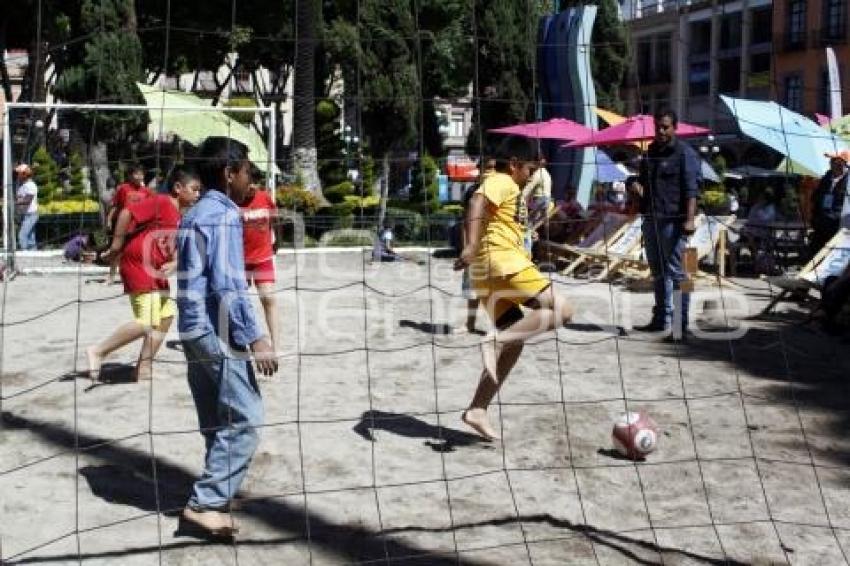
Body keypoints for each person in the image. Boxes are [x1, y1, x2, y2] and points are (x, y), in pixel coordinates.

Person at [175, 137, 278, 538]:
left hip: (192, 326)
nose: (250, 178)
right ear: (228, 173)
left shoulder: (194, 212)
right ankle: (206, 502)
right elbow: (228, 284)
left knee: (217, 417)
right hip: (214, 327)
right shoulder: (222, 213)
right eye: (247, 169)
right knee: (246, 417)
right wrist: (255, 338)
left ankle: (217, 491)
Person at [454, 136, 574, 441]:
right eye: (529, 168)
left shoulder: (510, 186)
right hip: (502, 262)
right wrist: (469, 245)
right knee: (563, 309)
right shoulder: (502, 180)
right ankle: (494, 342)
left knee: (516, 340)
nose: (531, 174)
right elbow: (476, 202)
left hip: (487, 272)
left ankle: (477, 409)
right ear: (514, 165)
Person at [87, 167, 201, 382]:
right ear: (178, 188)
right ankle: (99, 351)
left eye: (199, 190)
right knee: (147, 321)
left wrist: (175, 263)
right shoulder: (162, 201)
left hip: (157, 270)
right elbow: (126, 212)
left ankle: (143, 368)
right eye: (194, 189)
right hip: (138, 263)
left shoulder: (179, 214)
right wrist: (116, 245)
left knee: (166, 316)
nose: (198, 194)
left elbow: (171, 245)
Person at [628, 109, 700, 341]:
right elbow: (641, 181)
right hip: (651, 218)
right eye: (657, 126)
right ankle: (661, 319)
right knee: (658, 272)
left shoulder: (685, 153)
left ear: (674, 128)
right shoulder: (650, 153)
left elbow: (692, 191)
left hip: (675, 222)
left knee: (681, 275)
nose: (660, 131)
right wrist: (634, 185)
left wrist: (689, 220)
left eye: (665, 127)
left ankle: (682, 326)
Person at [456, 158, 496, 335]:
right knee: (472, 289)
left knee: (494, 288)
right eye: (486, 167)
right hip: (475, 246)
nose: (489, 171)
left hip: (496, 246)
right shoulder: (472, 191)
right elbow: (465, 222)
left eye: (494, 168)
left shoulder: (503, 191)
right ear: (479, 169)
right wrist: (466, 248)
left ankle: (495, 326)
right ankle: (469, 323)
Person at [240, 178, 279, 354]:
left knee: (268, 299)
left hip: (263, 258)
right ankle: (244, 342)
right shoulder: (233, 201)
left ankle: (276, 346)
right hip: (240, 261)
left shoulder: (265, 198)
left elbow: (276, 220)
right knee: (239, 302)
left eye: (251, 180)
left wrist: (278, 241)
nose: (250, 186)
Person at [106, 165, 153, 284]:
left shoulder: (146, 191)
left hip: (139, 225)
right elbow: (116, 205)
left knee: (136, 251)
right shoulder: (123, 188)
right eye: (136, 174)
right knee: (117, 250)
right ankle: (111, 276)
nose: (139, 176)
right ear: (130, 176)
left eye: (141, 174)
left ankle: (133, 275)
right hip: (123, 224)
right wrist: (109, 219)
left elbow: (152, 207)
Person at [809, 150, 850, 257]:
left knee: (832, 255)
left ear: (843, 163)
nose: (831, 163)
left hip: (839, 225)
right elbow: (815, 197)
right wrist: (815, 217)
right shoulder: (827, 177)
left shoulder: (848, 180)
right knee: (815, 252)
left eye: (835, 160)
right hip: (821, 223)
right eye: (831, 161)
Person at [14, 164, 39, 250]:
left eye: (19, 173)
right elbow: (19, 198)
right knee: (31, 238)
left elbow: (27, 200)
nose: (17, 175)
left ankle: (24, 254)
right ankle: (33, 255)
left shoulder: (31, 185)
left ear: (24, 174)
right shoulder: (22, 186)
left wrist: (14, 202)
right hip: (25, 215)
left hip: (31, 215)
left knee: (22, 236)